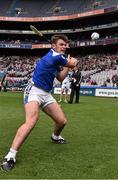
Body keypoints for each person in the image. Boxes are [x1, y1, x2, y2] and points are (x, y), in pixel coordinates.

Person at [1, 34, 78, 172]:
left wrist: (68, 66)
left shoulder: (56, 59)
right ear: (53, 45)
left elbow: (60, 78)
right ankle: (10, 156)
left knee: (62, 121)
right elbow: (73, 63)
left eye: (65, 45)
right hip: (34, 91)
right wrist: (72, 62)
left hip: (46, 94)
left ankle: (55, 136)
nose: (64, 46)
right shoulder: (56, 57)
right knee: (31, 121)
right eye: (61, 44)